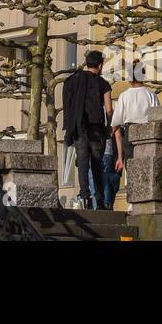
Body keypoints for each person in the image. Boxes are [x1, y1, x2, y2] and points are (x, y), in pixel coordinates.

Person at [62, 50, 113, 210]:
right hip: (96, 129)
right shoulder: (103, 83)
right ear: (100, 65)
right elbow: (109, 109)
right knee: (97, 165)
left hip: (79, 127)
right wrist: (109, 126)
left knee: (83, 163)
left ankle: (85, 196)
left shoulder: (73, 80)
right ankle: (100, 200)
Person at [107, 61, 160, 208]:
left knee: (131, 167)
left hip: (129, 132)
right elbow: (157, 116)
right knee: (147, 165)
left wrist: (109, 134)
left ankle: (133, 200)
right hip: (148, 132)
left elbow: (116, 121)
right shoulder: (151, 95)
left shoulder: (124, 96)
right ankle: (147, 197)